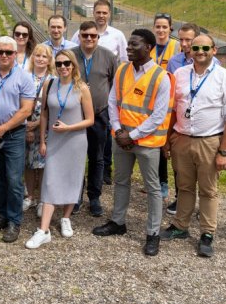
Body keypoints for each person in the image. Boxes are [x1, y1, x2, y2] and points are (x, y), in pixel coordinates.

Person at [92, 29, 174, 257]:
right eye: (128, 45)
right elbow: (112, 102)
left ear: (148, 47)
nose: (128, 49)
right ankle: (118, 222)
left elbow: (159, 115)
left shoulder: (161, 77)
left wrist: (132, 135)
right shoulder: (122, 70)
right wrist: (118, 130)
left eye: (133, 45)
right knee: (121, 181)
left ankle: (152, 234)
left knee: (153, 189)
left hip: (146, 143)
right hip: (122, 138)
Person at [161, 34, 226, 258]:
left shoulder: (225, 78)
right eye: (196, 47)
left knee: (208, 190)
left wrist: (223, 151)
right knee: (184, 187)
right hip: (182, 139)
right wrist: (168, 140)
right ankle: (180, 226)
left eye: (205, 47)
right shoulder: (180, 74)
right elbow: (172, 110)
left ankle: (207, 233)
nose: (200, 51)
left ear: (214, 50)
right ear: (190, 50)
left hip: (209, 141)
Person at [26, 49, 94, 248]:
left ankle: (66, 217)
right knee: (50, 182)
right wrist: (43, 140)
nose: (63, 67)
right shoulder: (50, 83)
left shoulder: (81, 88)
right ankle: (43, 230)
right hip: (54, 140)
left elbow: (90, 120)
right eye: (59, 64)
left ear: (73, 65)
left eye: (66, 63)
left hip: (75, 141)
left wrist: (68, 128)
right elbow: (45, 113)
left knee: (73, 179)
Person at [0, 36, 35, 243]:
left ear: (15, 54)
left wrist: (1, 129)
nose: (4, 55)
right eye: (0, 52)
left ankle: (14, 221)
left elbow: (26, 110)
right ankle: (2, 215)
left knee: (13, 179)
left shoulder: (24, 78)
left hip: (13, 135)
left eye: (8, 52)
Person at [72, 21, 118, 216]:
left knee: (97, 157)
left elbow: (115, 85)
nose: (89, 38)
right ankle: (74, 196)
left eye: (93, 35)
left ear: (98, 37)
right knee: (75, 158)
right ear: (80, 36)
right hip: (75, 116)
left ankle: (94, 197)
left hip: (99, 115)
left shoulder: (108, 56)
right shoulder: (70, 55)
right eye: (85, 35)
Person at [164, 22, 207, 215]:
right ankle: (180, 198)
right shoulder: (174, 62)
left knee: (202, 168)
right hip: (180, 120)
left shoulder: (211, 62)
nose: (184, 43)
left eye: (188, 39)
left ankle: (202, 203)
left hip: (202, 124)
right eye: (181, 39)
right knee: (180, 167)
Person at [23, 44, 55, 216]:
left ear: (50, 60)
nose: (41, 59)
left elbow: (53, 107)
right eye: (38, 55)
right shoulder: (24, 76)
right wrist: (27, 125)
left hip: (45, 128)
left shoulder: (53, 79)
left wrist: (37, 124)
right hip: (25, 125)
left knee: (42, 164)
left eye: (45, 56)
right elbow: (20, 102)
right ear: (32, 57)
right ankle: (29, 195)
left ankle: (43, 199)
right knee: (28, 163)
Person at [150, 13, 178, 206]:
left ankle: (173, 188)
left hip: (171, 103)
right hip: (150, 102)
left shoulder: (176, 47)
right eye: (158, 27)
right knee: (155, 145)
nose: (161, 30)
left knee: (168, 146)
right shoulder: (149, 46)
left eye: (164, 27)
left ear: (170, 29)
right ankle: (160, 183)